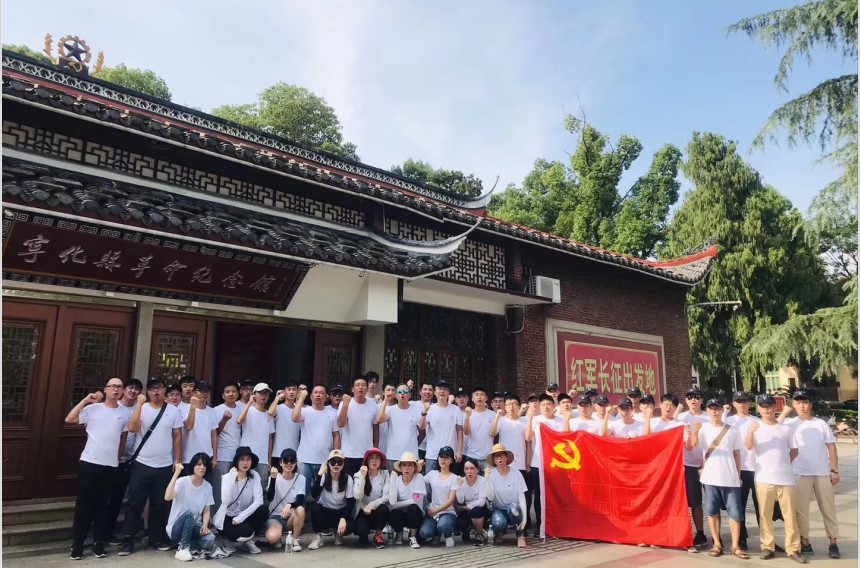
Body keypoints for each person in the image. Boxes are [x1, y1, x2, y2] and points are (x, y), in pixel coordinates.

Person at [65, 378, 129, 560]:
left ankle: (98, 543)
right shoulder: (93, 409)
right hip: (90, 462)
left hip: (110, 465)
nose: (116, 389)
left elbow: (123, 438)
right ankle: (77, 543)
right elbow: (70, 419)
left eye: (119, 387)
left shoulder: (124, 413)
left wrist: (118, 458)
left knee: (103, 506)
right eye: (112, 386)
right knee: (84, 505)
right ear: (105, 389)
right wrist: (86, 400)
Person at [119, 377, 184, 556]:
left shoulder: (173, 411)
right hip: (142, 463)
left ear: (164, 391)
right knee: (135, 503)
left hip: (164, 464)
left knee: (159, 504)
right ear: (147, 392)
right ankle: (128, 539)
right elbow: (133, 428)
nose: (156, 391)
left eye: (160, 388)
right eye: (153, 388)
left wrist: (177, 459)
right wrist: (139, 405)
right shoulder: (141, 408)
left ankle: (156, 538)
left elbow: (177, 435)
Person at [745, 395, 805, 563]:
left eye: (769, 406)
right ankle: (767, 546)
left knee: (790, 516)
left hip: (785, 478)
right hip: (764, 478)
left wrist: (784, 463)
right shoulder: (755, 427)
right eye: (763, 406)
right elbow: (748, 446)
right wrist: (750, 431)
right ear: (758, 408)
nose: (767, 409)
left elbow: (794, 450)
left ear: (775, 407)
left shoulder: (785, 428)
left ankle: (793, 548)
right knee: (765, 515)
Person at [688, 398, 746, 559]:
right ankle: (717, 544)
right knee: (712, 511)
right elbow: (693, 445)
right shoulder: (704, 428)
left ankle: (735, 546)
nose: (714, 411)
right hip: (710, 478)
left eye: (717, 408)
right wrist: (694, 431)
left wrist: (738, 476)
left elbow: (737, 454)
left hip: (730, 477)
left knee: (735, 513)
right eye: (711, 408)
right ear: (707, 410)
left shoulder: (732, 430)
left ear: (722, 410)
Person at [787, 390, 841, 559]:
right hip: (800, 472)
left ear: (810, 405)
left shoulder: (820, 424)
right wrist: (783, 413)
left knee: (828, 509)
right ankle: (805, 541)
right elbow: (773, 428)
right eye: (798, 402)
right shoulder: (790, 424)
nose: (802, 406)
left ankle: (833, 542)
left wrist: (834, 470)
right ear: (793, 405)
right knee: (801, 511)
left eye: (805, 402)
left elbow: (831, 446)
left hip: (822, 472)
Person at [104, 378, 142, 546]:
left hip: (131, 460)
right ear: (123, 390)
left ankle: (114, 532)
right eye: (130, 388)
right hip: (111, 459)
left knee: (122, 499)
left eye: (137, 389)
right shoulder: (114, 406)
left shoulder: (140, 409)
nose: (133, 391)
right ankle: (102, 532)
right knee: (108, 498)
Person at [213, 446, 267, 554]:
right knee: (244, 531)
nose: (245, 463)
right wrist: (232, 479)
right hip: (228, 518)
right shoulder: (227, 477)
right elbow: (225, 500)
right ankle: (227, 539)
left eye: (248, 459)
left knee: (263, 510)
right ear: (236, 461)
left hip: (244, 515)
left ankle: (248, 541)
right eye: (242, 459)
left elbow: (259, 500)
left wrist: (240, 518)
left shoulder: (254, 475)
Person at [524, 394, 564, 538]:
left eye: (549, 404)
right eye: (543, 404)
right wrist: (530, 419)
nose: (546, 407)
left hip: (556, 464)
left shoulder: (561, 421)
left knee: (556, 495)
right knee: (539, 496)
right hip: (538, 463)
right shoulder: (536, 420)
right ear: (540, 407)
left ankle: (556, 525)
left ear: (554, 406)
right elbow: (528, 438)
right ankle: (541, 525)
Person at [489, 393, 531, 528]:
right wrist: (497, 416)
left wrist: (528, 463)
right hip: (504, 464)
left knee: (523, 494)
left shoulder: (524, 421)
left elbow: (528, 442)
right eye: (508, 404)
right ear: (504, 406)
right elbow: (492, 433)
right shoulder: (501, 420)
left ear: (519, 406)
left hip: (520, 463)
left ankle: (524, 522)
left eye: (514, 404)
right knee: (504, 492)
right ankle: (505, 522)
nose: (511, 407)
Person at [725, 391, 760, 552]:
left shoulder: (757, 421)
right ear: (733, 404)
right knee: (740, 505)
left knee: (761, 506)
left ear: (749, 403)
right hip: (739, 469)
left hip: (758, 469)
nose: (742, 404)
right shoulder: (729, 421)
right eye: (738, 401)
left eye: (744, 401)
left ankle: (766, 539)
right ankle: (741, 538)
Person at [164, 454, 216, 561]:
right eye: (199, 464)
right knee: (192, 511)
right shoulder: (182, 481)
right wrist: (177, 473)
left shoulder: (207, 486)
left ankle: (190, 545)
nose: (202, 467)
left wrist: (205, 525)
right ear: (193, 466)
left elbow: (207, 510)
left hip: (194, 525)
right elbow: (167, 497)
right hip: (176, 528)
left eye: (205, 465)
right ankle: (182, 548)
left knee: (210, 539)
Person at [293, 385, 341, 496]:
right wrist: (301, 398)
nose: (318, 395)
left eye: (321, 393)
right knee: (301, 493)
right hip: (304, 460)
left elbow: (336, 435)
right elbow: (295, 418)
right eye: (315, 392)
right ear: (311, 396)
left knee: (322, 495)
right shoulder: (305, 411)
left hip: (324, 460)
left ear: (326, 397)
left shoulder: (332, 414)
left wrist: (335, 455)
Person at [677, 388, 710, 550]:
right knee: (694, 501)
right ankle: (697, 533)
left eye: (696, 397)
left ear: (701, 400)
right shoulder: (681, 418)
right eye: (690, 397)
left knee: (711, 502)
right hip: (688, 465)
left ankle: (712, 534)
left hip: (709, 464)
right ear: (686, 400)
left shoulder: (709, 417)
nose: (693, 400)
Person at [309, 449, 355, 550]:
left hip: (340, 511)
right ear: (328, 464)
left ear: (343, 464)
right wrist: (319, 475)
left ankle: (338, 532)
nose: (336, 465)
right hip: (326, 510)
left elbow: (351, 502)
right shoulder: (324, 476)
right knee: (315, 508)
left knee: (350, 526)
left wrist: (343, 518)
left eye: (339, 462)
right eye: (333, 462)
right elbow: (314, 494)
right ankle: (318, 537)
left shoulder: (348, 479)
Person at [485, 443, 528, 548]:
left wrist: (525, 518)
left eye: (501, 455)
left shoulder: (516, 473)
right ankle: (499, 532)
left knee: (514, 509)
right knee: (498, 522)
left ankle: (520, 534)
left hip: (513, 508)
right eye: (496, 456)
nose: (499, 458)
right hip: (498, 509)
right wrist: (487, 479)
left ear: (506, 457)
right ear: (494, 460)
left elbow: (521, 496)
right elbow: (490, 497)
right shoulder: (491, 474)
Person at [264, 448, 306, 552]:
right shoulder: (274, 477)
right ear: (281, 462)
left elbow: (300, 501)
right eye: (286, 460)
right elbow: (269, 497)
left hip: (290, 516)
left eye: (292, 461)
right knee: (272, 538)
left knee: (300, 509)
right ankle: (278, 537)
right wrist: (273, 479)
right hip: (275, 516)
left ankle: (295, 539)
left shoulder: (300, 478)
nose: (289, 463)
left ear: (296, 463)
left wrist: (289, 505)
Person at [338, 376, 379, 477]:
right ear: (352, 389)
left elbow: (376, 429)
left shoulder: (373, 405)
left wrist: (375, 449)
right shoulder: (344, 403)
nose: (360, 387)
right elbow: (340, 424)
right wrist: (346, 405)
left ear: (367, 388)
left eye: (363, 385)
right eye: (357, 385)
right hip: (348, 453)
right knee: (348, 482)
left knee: (364, 483)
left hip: (367, 453)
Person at [419, 380, 464, 473]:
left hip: (450, 454)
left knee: (451, 480)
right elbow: (422, 427)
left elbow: (459, 430)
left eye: (445, 389)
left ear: (449, 393)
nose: (442, 391)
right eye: (439, 389)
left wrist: (459, 451)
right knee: (430, 480)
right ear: (435, 392)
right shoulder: (430, 409)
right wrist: (424, 412)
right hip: (432, 454)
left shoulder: (455, 410)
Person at [377, 383, 423, 470]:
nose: (403, 393)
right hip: (393, 455)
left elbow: (422, 428)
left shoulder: (416, 409)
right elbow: (379, 419)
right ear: (395, 395)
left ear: (410, 395)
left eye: (405, 391)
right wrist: (385, 400)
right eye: (400, 392)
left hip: (411, 456)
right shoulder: (391, 410)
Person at [418, 446, 458, 547]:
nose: (443, 459)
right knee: (424, 533)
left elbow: (451, 500)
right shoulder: (432, 474)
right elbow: (418, 481)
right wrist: (418, 468)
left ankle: (448, 535)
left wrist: (435, 511)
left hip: (447, 512)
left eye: (447, 457)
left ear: (451, 460)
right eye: (441, 456)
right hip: (433, 511)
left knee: (443, 525)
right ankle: (437, 534)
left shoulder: (454, 478)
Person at [213, 383, 244, 511]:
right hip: (222, 454)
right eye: (227, 391)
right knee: (220, 489)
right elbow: (215, 432)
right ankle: (216, 517)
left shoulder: (242, 409)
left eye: (233, 391)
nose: (231, 394)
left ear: (238, 394)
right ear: (222, 395)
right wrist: (224, 420)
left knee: (236, 489)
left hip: (238, 456)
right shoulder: (216, 410)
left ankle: (231, 516)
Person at [237, 383, 275, 486]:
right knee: (245, 484)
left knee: (261, 486)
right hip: (247, 456)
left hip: (263, 458)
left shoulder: (269, 415)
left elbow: (270, 438)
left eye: (266, 394)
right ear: (254, 394)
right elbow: (239, 421)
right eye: (260, 393)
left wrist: (269, 460)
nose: (263, 396)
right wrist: (250, 402)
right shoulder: (248, 410)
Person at [353, 448, 391, 548]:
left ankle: (378, 535)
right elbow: (357, 496)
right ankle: (363, 536)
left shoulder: (385, 474)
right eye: (371, 458)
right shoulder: (358, 475)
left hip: (377, 509)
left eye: (377, 458)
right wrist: (362, 477)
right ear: (366, 460)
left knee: (384, 508)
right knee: (361, 529)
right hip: (362, 510)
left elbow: (386, 496)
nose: (374, 461)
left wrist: (371, 505)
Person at [388, 452, 426, 549]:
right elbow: (392, 502)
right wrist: (392, 480)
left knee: (413, 508)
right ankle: (399, 532)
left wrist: (397, 504)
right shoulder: (397, 480)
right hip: (401, 514)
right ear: (400, 467)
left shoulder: (419, 477)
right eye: (404, 465)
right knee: (393, 514)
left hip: (415, 515)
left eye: (410, 465)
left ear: (414, 467)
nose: (406, 468)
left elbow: (416, 500)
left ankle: (413, 536)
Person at [181, 380, 218, 479]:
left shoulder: (212, 411)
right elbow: (189, 426)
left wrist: (215, 457)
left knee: (205, 485)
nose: (205, 394)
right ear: (194, 392)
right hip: (188, 457)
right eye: (201, 391)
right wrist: (193, 407)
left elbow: (214, 435)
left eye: (207, 391)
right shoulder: (184, 409)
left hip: (206, 456)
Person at [455, 458, 488, 546]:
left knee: (476, 511)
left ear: (477, 470)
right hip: (465, 509)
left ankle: (479, 534)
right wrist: (459, 486)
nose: (469, 472)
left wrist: (467, 507)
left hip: (480, 509)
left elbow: (481, 502)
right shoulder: (461, 480)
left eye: (472, 468)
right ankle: (467, 530)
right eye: (466, 469)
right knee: (460, 523)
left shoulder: (482, 480)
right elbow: (460, 500)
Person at [268, 382, 301, 469]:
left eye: (294, 389)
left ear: (297, 392)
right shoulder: (278, 408)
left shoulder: (299, 411)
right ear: (284, 391)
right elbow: (270, 412)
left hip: (294, 452)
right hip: (278, 452)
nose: (291, 392)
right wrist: (277, 398)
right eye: (289, 389)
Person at [464, 386, 495, 471]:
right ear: (472, 399)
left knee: (489, 479)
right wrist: (467, 417)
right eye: (476, 395)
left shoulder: (493, 415)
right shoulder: (468, 413)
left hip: (488, 457)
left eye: (482, 394)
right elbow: (466, 432)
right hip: (471, 456)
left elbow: (494, 433)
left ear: (486, 398)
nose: (479, 397)